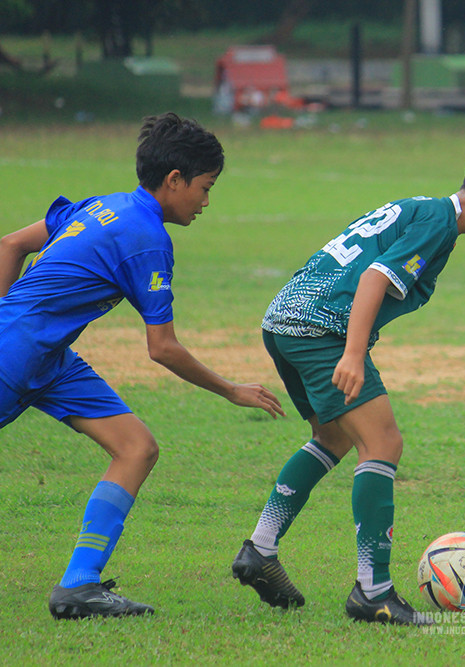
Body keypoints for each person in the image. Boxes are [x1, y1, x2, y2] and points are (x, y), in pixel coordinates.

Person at [231, 141, 465, 625]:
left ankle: (261, 549)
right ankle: (372, 592)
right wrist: (354, 353)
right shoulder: (439, 224)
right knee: (383, 443)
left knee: (332, 437)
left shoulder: (421, 209)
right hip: (323, 328)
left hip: (284, 319)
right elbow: (374, 278)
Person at [0, 112, 285, 619]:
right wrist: (231, 390)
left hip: (49, 358)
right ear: (174, 181)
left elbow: (11, 244)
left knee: (136, 448)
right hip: (17, 354)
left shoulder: (103, 205)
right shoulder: (148, 238)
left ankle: (79, 586)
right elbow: (163, 348)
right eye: (204, 187)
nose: (205, 201)